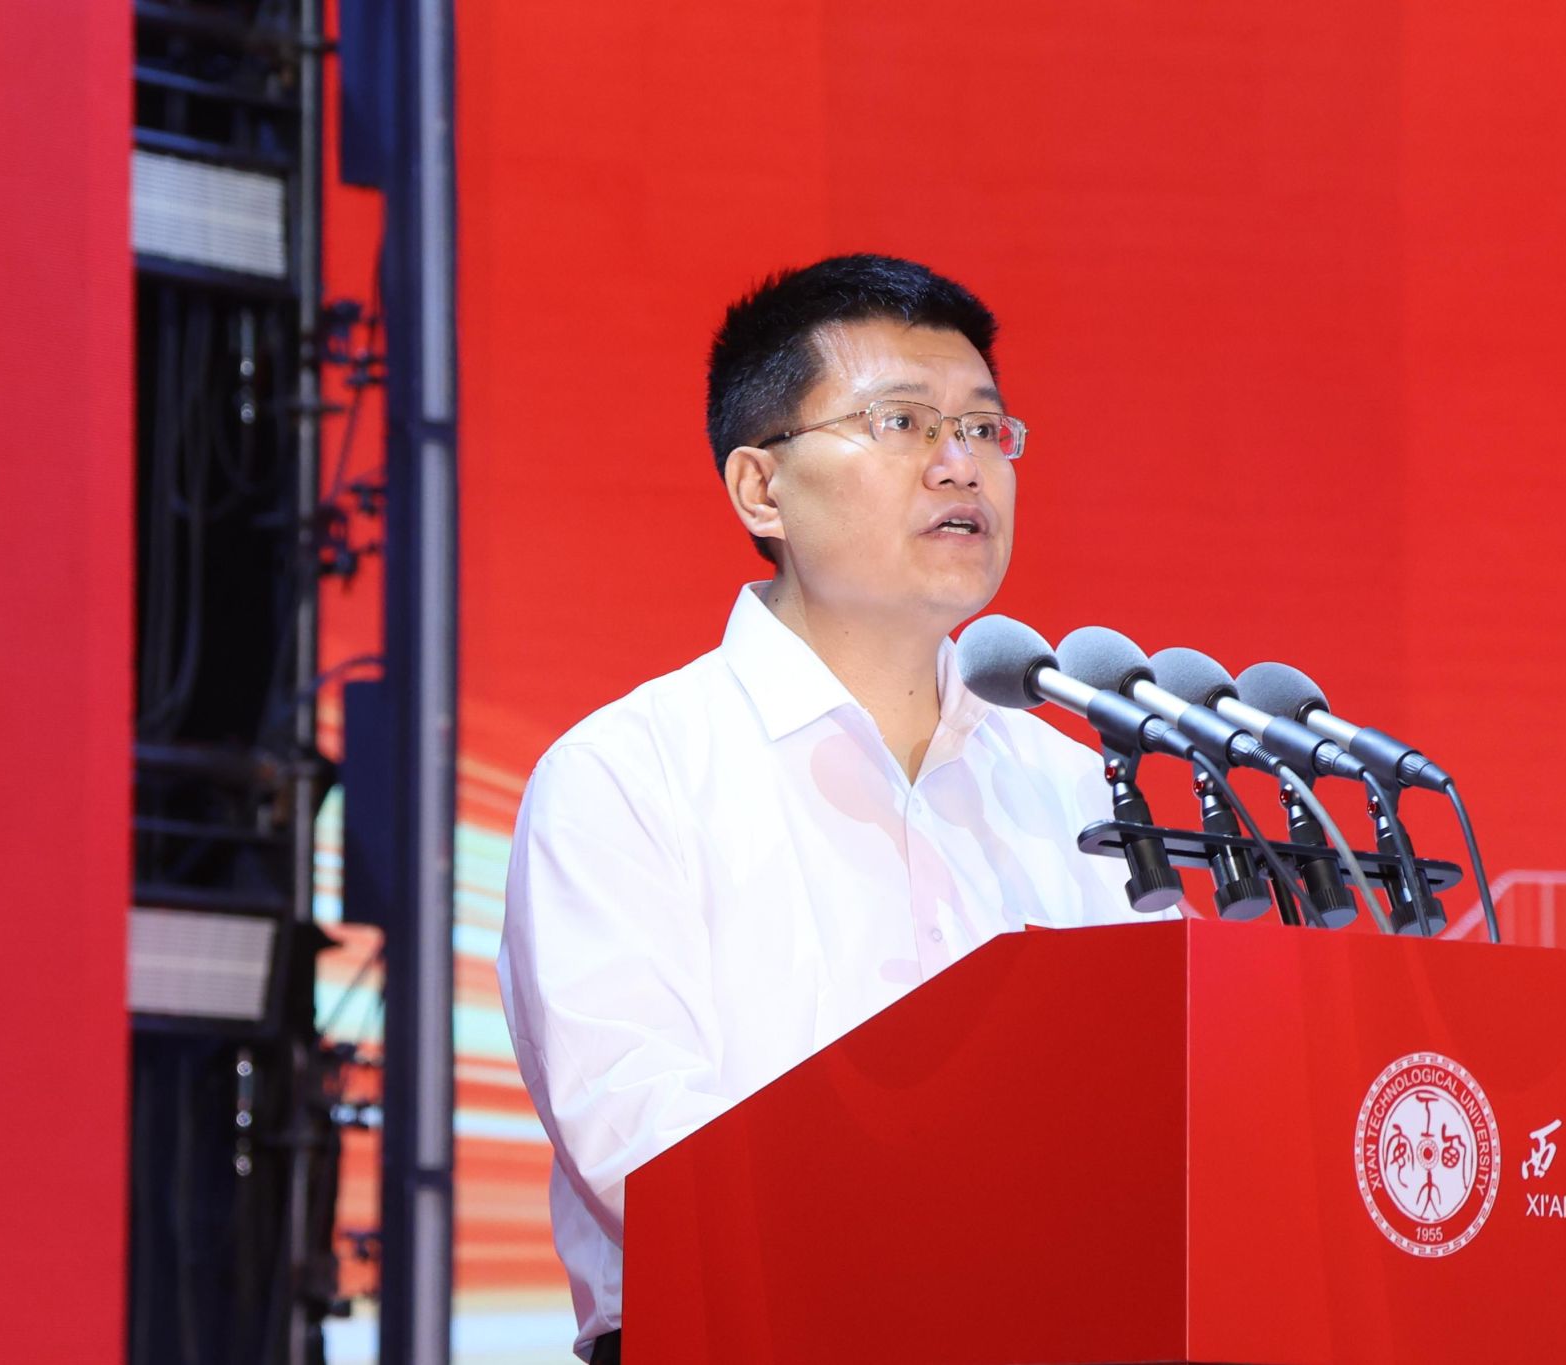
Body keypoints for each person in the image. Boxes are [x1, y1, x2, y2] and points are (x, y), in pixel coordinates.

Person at [497, 253, 1171, 1363]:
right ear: (760, 489)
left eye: (984, 429)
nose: (960, 464)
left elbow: (1159, 1117)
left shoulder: (1074, 789)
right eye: (901, 423)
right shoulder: (628, 775)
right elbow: (646, 1152)